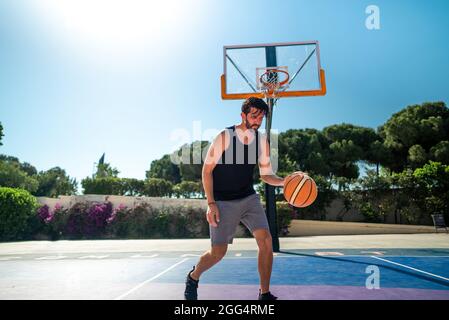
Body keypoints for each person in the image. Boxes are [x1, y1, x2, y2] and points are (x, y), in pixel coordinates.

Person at [184, 97, 285, 300]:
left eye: (261, 117)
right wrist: (210, 203)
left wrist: (287, 182)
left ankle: (264, 294)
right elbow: (207, 171)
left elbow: (266, 175)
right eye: (253, 115)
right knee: (217, 253)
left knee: (266, 241)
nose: (257, 120)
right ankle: (193, 277)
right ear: (243, 115)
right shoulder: (225, 136)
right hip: (222, 201)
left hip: (248, 197)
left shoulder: (262, 141)